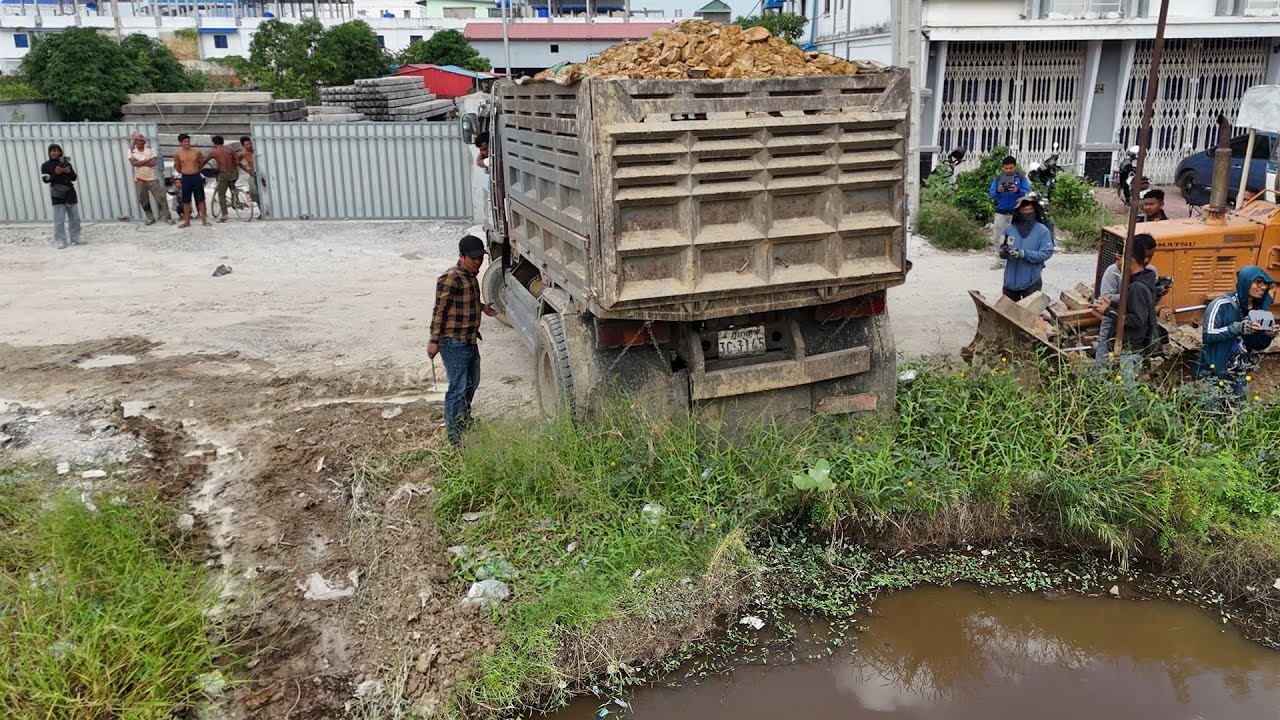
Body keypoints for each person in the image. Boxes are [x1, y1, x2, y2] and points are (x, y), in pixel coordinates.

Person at [428, 235, 499, 446]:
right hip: (453, 342)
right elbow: (439, 310)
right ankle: (454, 437)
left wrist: (483, 308)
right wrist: (433, 341)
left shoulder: (471, 276)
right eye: (473, 258)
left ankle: (464, 419)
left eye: (480, 258)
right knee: (457, 389)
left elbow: (467, 300)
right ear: (461, 256)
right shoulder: (451, 278)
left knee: (472, 383)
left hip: (469, 340)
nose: (478, 262)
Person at [1197, 266, 1278, 394]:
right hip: (1215, 371)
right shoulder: (1221, 305)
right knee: (1210, 411)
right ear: (1246, 282)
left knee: (1237, 410)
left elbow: (1254, 345)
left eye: (1266, 285)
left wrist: (1267, 335)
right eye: (1259, 283)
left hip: (1240, 372)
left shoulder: (1257, 310)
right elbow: (1208, 334)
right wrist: (1238, 327)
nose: (1263, 287)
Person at [1093, 234, 1161, 379]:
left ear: (1130, 259)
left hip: (1130, 348)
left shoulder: (1137, 287)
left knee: (1126, 387)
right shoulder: (1142, 279)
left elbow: (1137, 320)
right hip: (1129, 346)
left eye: (1121, 258)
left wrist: (1108, 310)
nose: (1118, 262)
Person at [998, 196, 1054, 301]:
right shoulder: (1008, 229)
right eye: (1024, 210)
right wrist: (1003, 252)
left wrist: (1024, 254)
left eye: (1030, 210)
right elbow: (1002, 246)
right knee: (1008, 314)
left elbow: (1047, 253)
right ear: (1018, 212)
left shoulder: (1043, 231)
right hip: (1009, 282)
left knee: (1030, 314)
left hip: (1031, 282)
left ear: (1035, 211)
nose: (1027, 212)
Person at [989, 156, 1031, 268]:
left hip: (1015, 213)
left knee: (1013, 238)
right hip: (1001, 212)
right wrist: (998, 191)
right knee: (999, 238)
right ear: (1003, 167)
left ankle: (1012, 261)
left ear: (1015, 167)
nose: (1008, 170)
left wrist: (1018, 190)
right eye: (1006, 168)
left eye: (1011, 168)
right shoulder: (998, 179)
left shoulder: (1021, 179)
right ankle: (1000, 261)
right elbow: (991, 194)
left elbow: (1027, 194)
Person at [128, 132, 173, 226]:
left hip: (152, 177)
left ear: (144, 141)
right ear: (135, 141)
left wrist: (140, 162)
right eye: (137, 140)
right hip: (140, 179)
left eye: (141, 140)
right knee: (143, 199)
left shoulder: (150, 149)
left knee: (161, 197)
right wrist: (147, 160)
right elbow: (133, 164)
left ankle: (167, 217)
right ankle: (150, 217)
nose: (139, 142)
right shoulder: (131, 151)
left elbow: (153, 163)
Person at [40, 143, 80, 249]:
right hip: (57, 195)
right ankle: (60, 241)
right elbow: (45, 180)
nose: (54, 153)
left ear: (60, 152)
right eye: (52, 151)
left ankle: (74, 239)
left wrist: (67, 171)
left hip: (70, 193)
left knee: (74, 218)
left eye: (56, 151)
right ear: (49, 152)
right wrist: (55, 173)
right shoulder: (45, 165)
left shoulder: (66, 164)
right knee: (59, 220)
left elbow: (74, 177)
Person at [173, 133, 210, 228]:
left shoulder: (196, 152)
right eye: (184, 141)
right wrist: (184, 171)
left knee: (201, 199)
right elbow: (177, 167)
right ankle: (187, 221)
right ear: (180, 143)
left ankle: (204, 220)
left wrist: (196, 170)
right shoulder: (177, 154)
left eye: (188, 141)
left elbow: (201, 163)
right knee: (186, 200)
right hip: (185, 177)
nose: (187, 143)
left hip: (196, 176)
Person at [209, 136, 239, 222]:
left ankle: (224, 215)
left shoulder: (213, 152)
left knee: (221, 194)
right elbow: (237, 162)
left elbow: (205, 160)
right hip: (234, 173)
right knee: (232, 185)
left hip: (224, 174)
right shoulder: (231, 150)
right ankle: (235, 199)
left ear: (214, 143)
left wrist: (199, 167)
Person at [236, 136, 259, 209]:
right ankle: (261, 211)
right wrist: (246, 170)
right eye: (246, 145)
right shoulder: (243, 153)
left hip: (262, 174)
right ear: (243, 146)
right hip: (253, 174)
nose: (249, 146)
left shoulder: (257, 150)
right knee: (255, 193)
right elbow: (237, 162)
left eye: (250, 143)